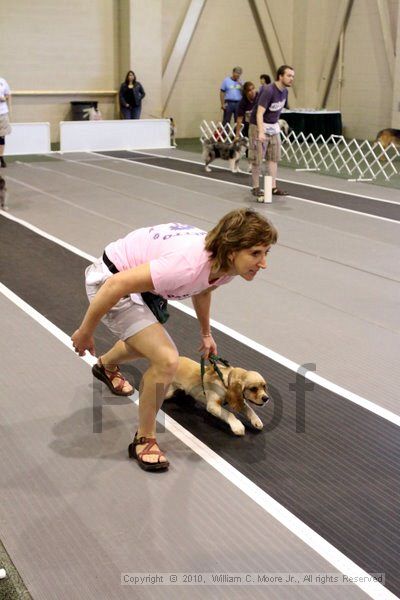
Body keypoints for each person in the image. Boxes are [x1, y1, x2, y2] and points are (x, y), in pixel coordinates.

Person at [71, 209, 278, 472]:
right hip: (111, 279)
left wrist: (206, 333)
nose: (263, 264)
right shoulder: (185, 266)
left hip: (143, 282)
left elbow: (204, 287)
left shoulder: (227, 267)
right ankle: (144, 440)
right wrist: (85, 331)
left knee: (145, 342)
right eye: (256, 253)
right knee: (166, 359)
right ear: (231, 250)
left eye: (266, 253)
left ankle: (106, 366)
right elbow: (115, 286)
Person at [249, 65, 294, 199]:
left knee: (273, 157)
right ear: (280, 76)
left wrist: (276, 125)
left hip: (273, 126)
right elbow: (259, 113)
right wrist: (261, 132)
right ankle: (256, 187)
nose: (291, 79)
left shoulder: (285, 92)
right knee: (257, 157)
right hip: (258, 125)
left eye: (293, 76)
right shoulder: (268, 90)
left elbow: (276, 110)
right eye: (289, 76)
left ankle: (273, 186)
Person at [0, 76, 11, 168]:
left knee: (1, 137)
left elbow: (8, 95)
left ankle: (1, 158)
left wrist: (3, 98)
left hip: (3, 113)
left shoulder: (3, 81)